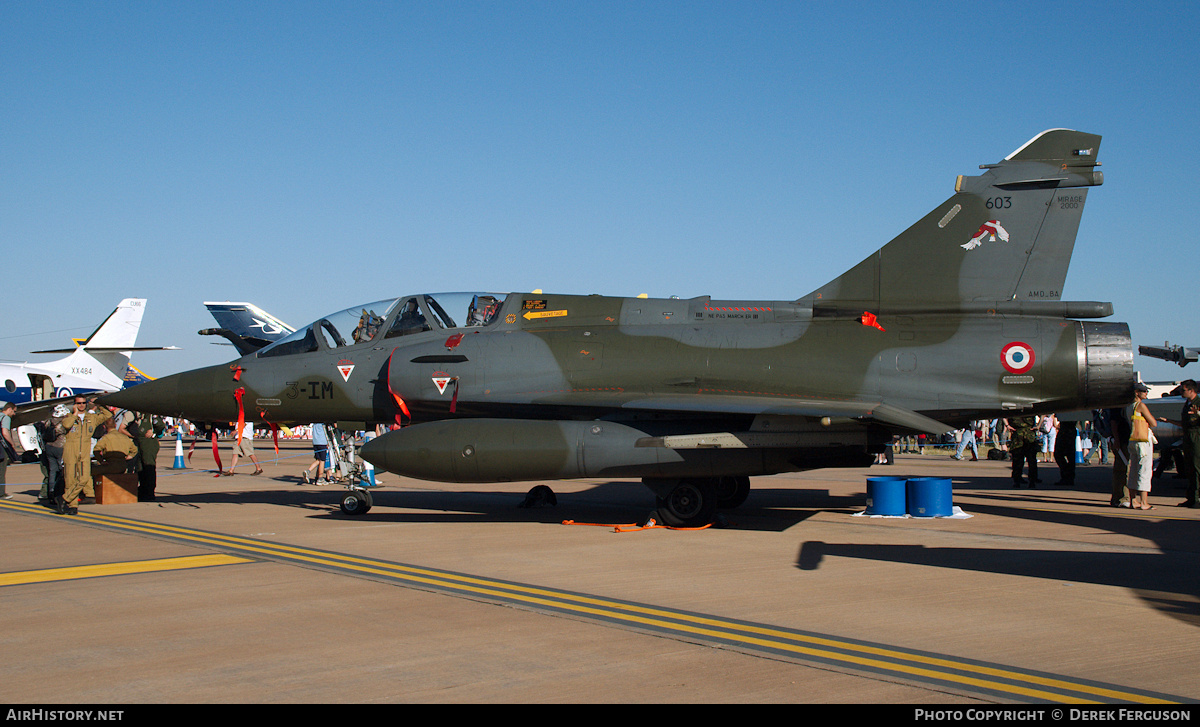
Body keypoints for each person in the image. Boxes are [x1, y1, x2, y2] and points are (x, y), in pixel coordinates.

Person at [58, 397, 113, 515]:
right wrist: (74, 414)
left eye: (83, 403)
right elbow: (66, 426)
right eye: (79, 403)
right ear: (74, 404)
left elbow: (107, 414)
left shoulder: (91, 418)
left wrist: (98, 404)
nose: (81, 405)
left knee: (83, 478)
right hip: (71, 449)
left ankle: (64, 498)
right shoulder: (69, 417)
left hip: (84, 450)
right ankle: (72, 506)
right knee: (70, 480)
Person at [1163, 379, 1200, 508]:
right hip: (1188, 438)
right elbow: (1184, 423)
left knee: (1196, 468)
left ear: (1191, 390)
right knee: (1189, 468)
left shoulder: (1198, 403)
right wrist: (1169, 421)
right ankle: (1191, 498)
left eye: (1183, 390)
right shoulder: (1187, 404)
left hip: (1197, 438)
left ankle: (1197, 498)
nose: (1181, 392)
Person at [1126, 382, 1158, 510]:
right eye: (1143, 391)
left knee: (1133, 470)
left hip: (1133, 440)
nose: (1146, 393)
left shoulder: (1128, 406)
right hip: (1143, 440)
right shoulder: (1141, 406)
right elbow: (1153, 423)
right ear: (1136, 393)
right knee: (1144, 470)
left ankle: (1133, 500)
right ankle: (1144, 502)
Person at [37, 405, 69, 506]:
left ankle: (50, 491)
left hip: (49, 447)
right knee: (61, 470)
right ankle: (59, 492)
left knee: (52, 471)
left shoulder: (49, 421)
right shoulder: (63, 422)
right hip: (60, 447)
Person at [134, 412, 165, 501]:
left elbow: (160, 425)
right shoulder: (139, 416)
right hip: (140, 444)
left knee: (148, 467)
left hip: (148, 444)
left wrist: (153, 432)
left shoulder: (151, 416)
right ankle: (142, 490)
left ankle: (149, 492)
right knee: (140, 468)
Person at [1005, 415, 1040, 487]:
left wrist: (1007, 425)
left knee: (1022, 459)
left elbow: (1002, 414)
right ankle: (1028, 480)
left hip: (1022, 433)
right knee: (1027, 459)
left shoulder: (1013, 406)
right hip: (1025, 433)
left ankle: (1019, 480)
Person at [1053, 414, 1077, 487]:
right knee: (1065, 455)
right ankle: (1068, 475)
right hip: (1066, 429)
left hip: (1067, 430)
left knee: (1063, 454)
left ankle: (1067, 475)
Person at [0, 401, 16, 500]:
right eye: (13, 412)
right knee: (1, 470)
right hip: (1, 448)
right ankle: (1, 493)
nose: (14, 414)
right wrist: (12, 443)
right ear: (9, 409)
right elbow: (5, 432)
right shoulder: (5, 418)